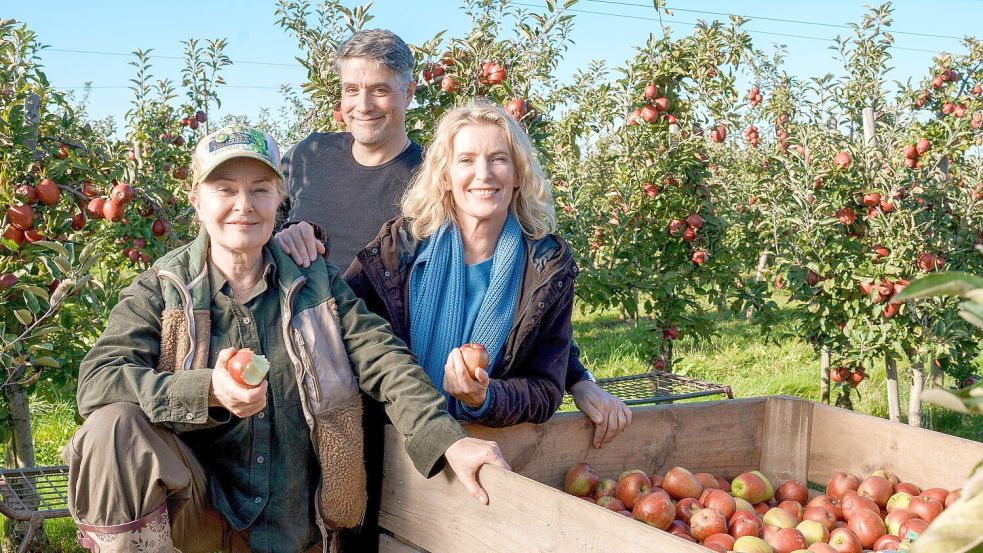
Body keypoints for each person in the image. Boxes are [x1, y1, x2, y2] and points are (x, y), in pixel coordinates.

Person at [63, 125, 508, 553]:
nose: (244, 205)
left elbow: (384, 359)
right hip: (195, 520)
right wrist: (207, 391)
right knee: (113, 426)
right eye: (224, 190)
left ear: (280, 198)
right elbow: (97, 381)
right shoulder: (163, 288)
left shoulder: (314, 283)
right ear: (196, 200)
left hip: (293, 528)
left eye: (259, 188)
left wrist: (448, 439)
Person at [274, 29, 630, 442]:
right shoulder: (307, 156)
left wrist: (577, 378)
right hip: (314, 375)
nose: (363, 105)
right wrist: (285, 234)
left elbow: (528, 310)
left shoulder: (433, 186)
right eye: (351, 90)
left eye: (379, 90)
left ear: (407, 94)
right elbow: (266, 228)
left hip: (392, 404)